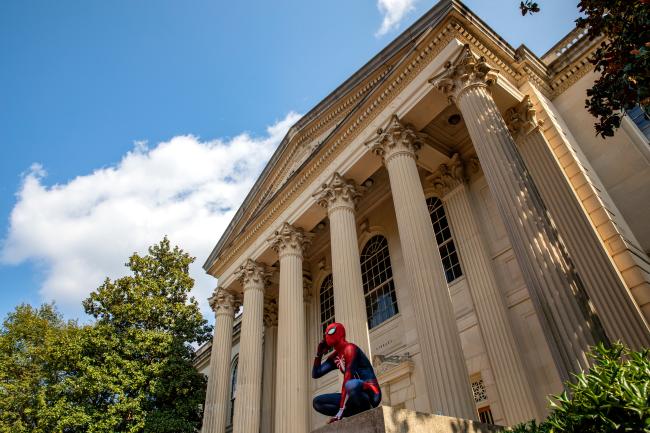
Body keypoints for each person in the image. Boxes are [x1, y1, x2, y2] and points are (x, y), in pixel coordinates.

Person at [311, 322, 381, 423]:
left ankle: (355, 408)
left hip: (370, 395)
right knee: (317, 402)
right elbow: (316, 373)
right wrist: (319, 354)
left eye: (330, 331)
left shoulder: (350, 348)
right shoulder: (335, 357)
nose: (326, 335)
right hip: (352, 395)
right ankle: (352, 411)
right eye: (325, 333)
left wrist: (340, 411)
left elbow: (348, 377)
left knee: (350, 384)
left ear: (339, 332)